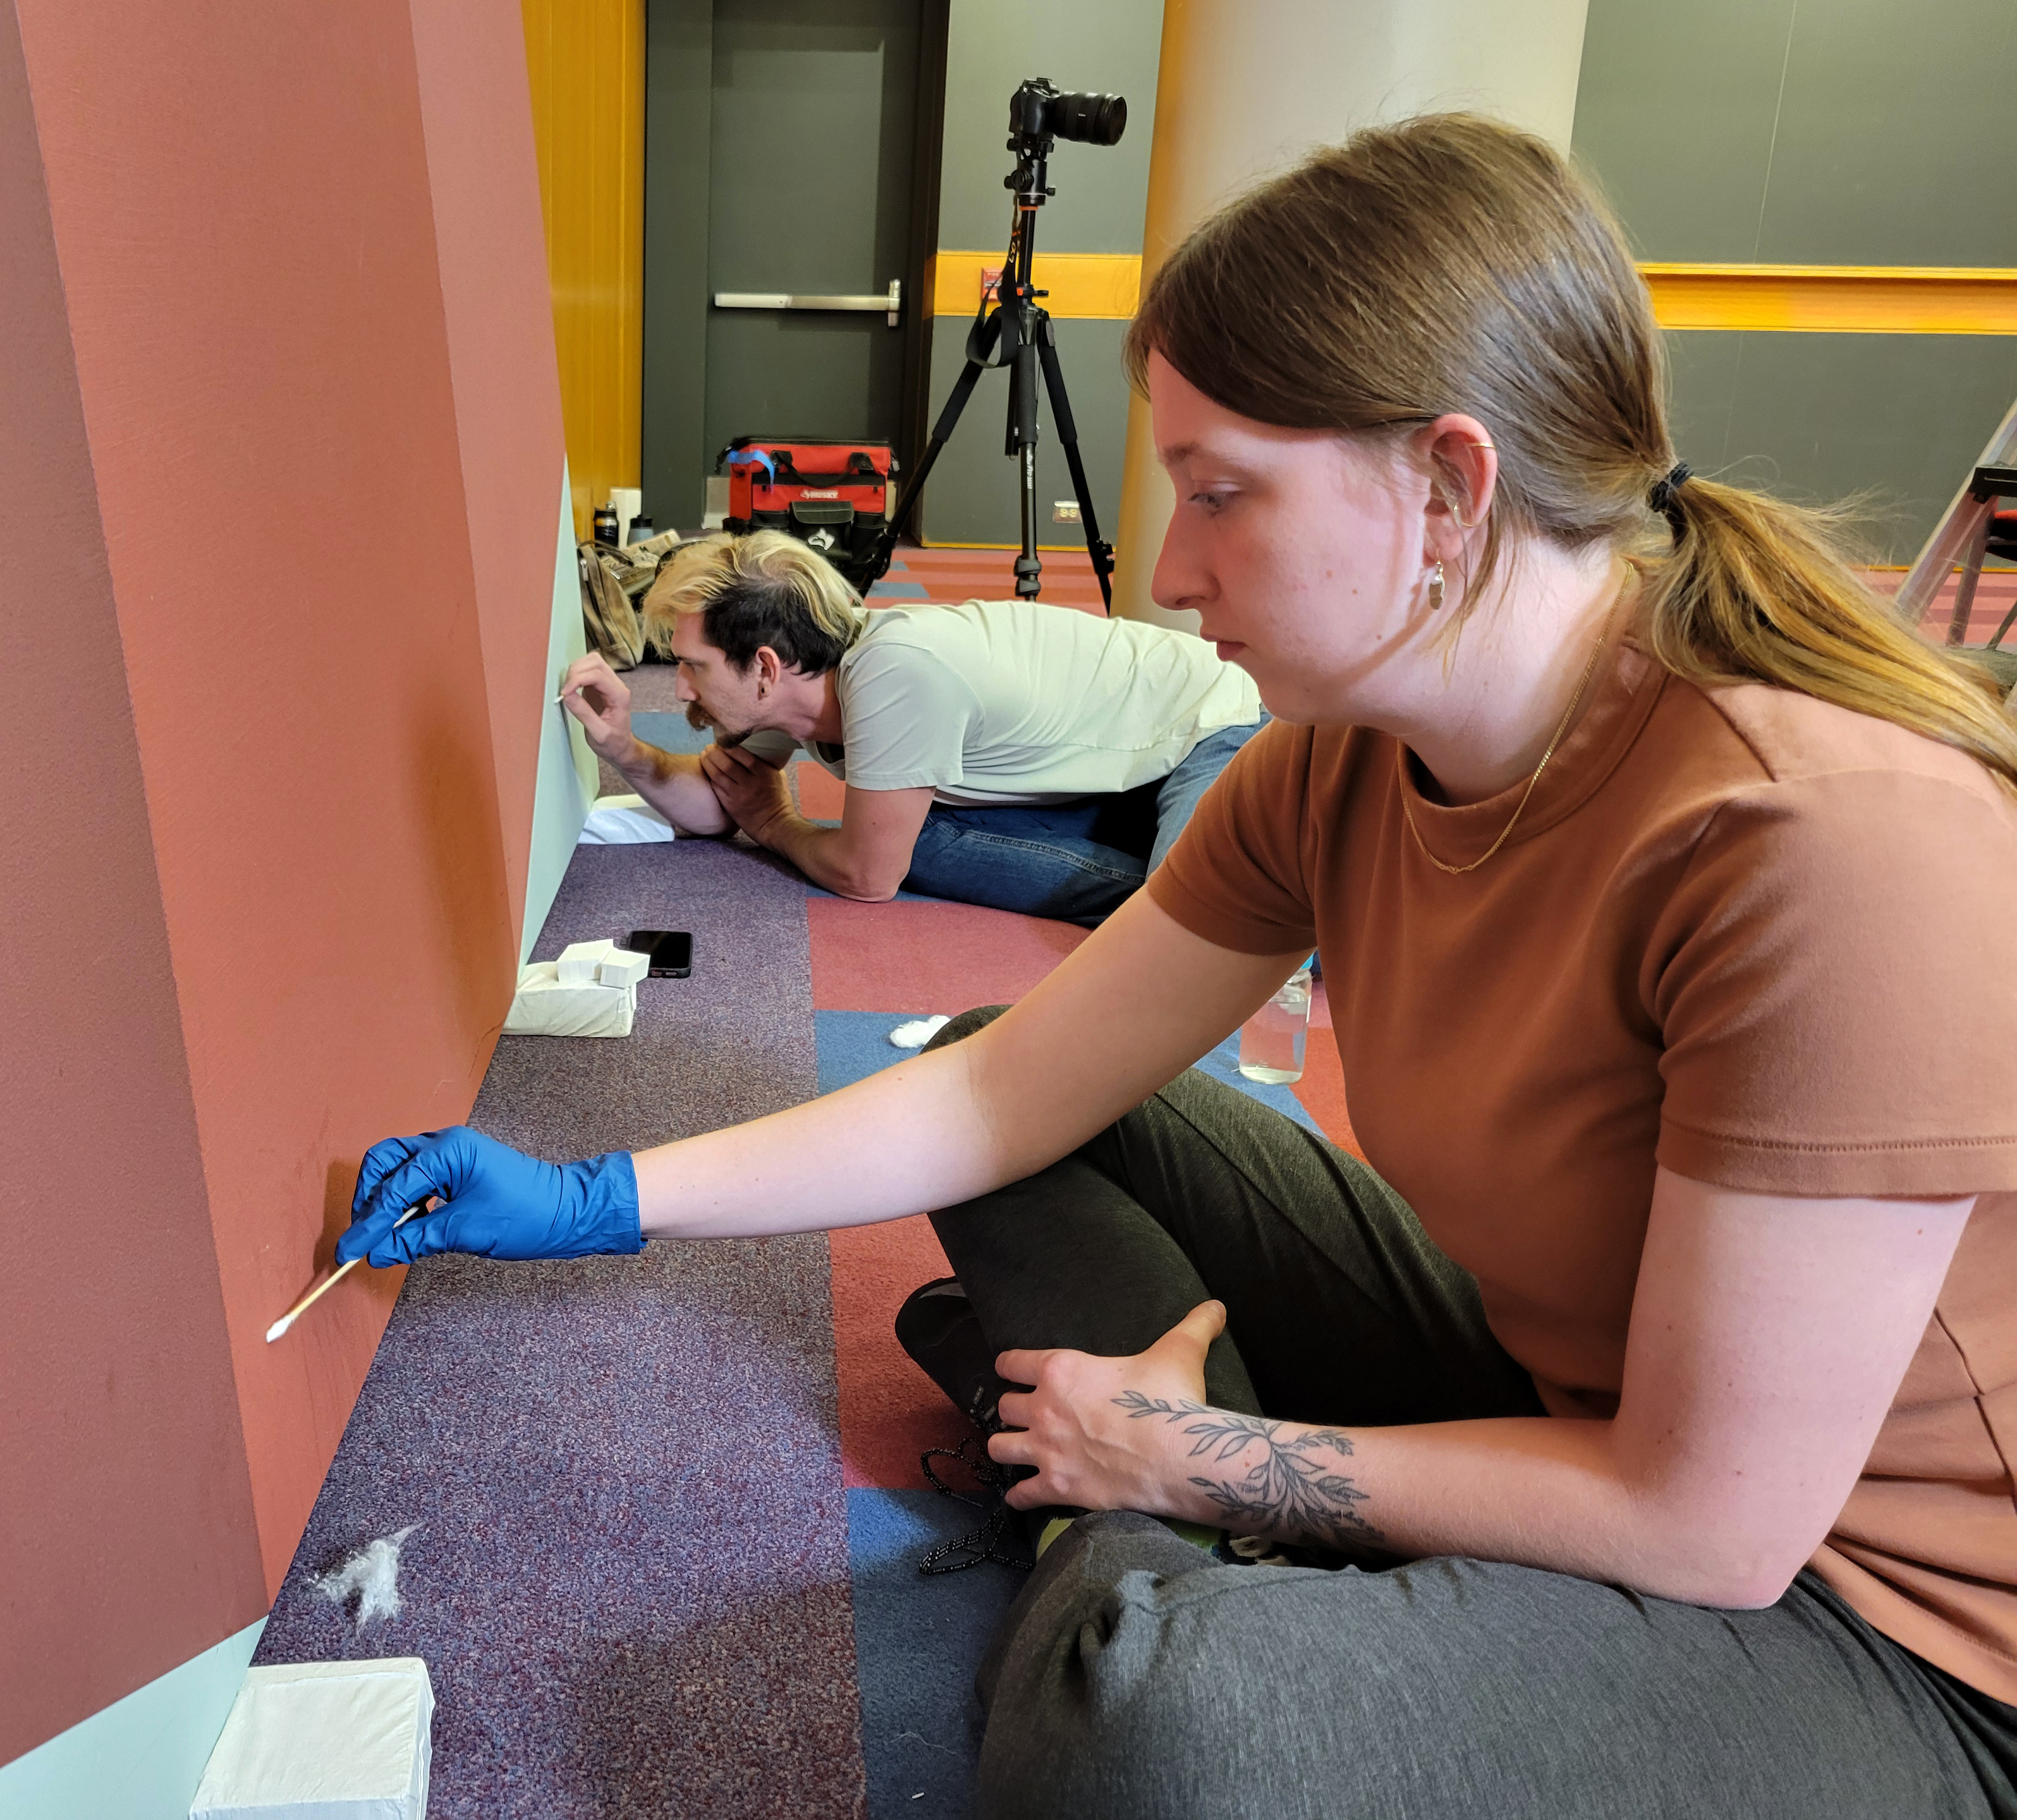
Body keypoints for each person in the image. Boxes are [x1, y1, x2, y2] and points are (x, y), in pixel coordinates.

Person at [343, 114, 2017, 1817]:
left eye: (1222, 495)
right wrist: (588, 1198)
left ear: (1449, 486)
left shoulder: (1825, 839)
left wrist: (1198, 1460)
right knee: (1011, 1055)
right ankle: (1129, 1485)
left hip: (1882, 1626)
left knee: (1165, 1729)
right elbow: (1004, 1090)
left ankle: (1110, 1491)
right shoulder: (1338, 759)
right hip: (1559, 1386)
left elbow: (1709, 1524)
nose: (1172, 570)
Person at [558, 531, 1264, 924]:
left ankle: (1299, 898)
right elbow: (717, 806)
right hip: (1112, 759)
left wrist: (776, 827)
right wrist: (621, 744)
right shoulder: (803, 684)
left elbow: (868, 880)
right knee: (905, 831)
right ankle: (1198, 865)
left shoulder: (894, 672)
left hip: (1209, 723)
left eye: (694, 667)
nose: (679, 688)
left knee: (1196, 928)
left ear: (765, 666)